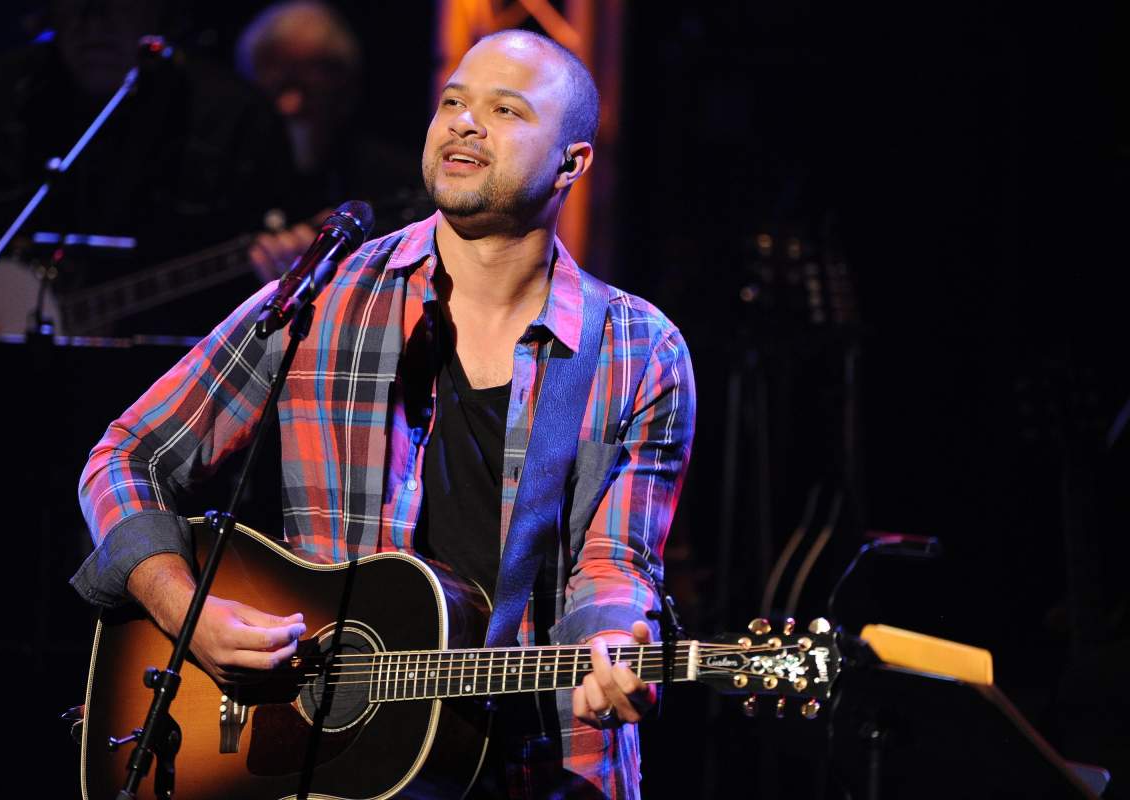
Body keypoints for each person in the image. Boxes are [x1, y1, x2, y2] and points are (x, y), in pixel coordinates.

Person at [72, 29, 694, 798]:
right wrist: (182, 608)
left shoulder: (638, 347)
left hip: (541, 766)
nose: (465, 123)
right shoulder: (328, 296)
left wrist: (611, 648)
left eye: (505, 110)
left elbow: (616, 560)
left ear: (572, 162)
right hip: (324, 764)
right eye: (454, 102)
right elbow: (127, 454)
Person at [0, 0, 294, 336]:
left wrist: (285, 264)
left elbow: (288, 241)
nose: (95, 21)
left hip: (170, 380)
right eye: (79, 2)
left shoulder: (235, 118)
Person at [234, 1, 431, 281]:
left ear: (345, 87)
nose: (291, 105)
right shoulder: (225, 181)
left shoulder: (395, 178)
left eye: (307, 84)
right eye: (276, 85)